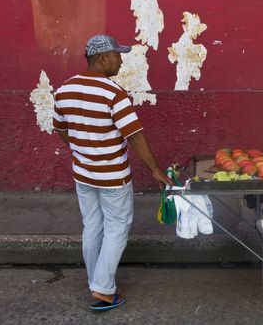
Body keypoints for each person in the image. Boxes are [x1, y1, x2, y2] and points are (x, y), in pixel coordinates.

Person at [53, 34, 173, 311]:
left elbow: (60, 128)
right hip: (112, 176)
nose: (121, 60)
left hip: (83, 174)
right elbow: (135, 135)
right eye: (118, 55)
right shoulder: (113, 93)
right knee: (117, 228)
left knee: (92, 227)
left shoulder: (64, 90)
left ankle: (96, 281)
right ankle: (104, 290)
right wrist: (155, 169)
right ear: (102, 58)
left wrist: (82, 149)